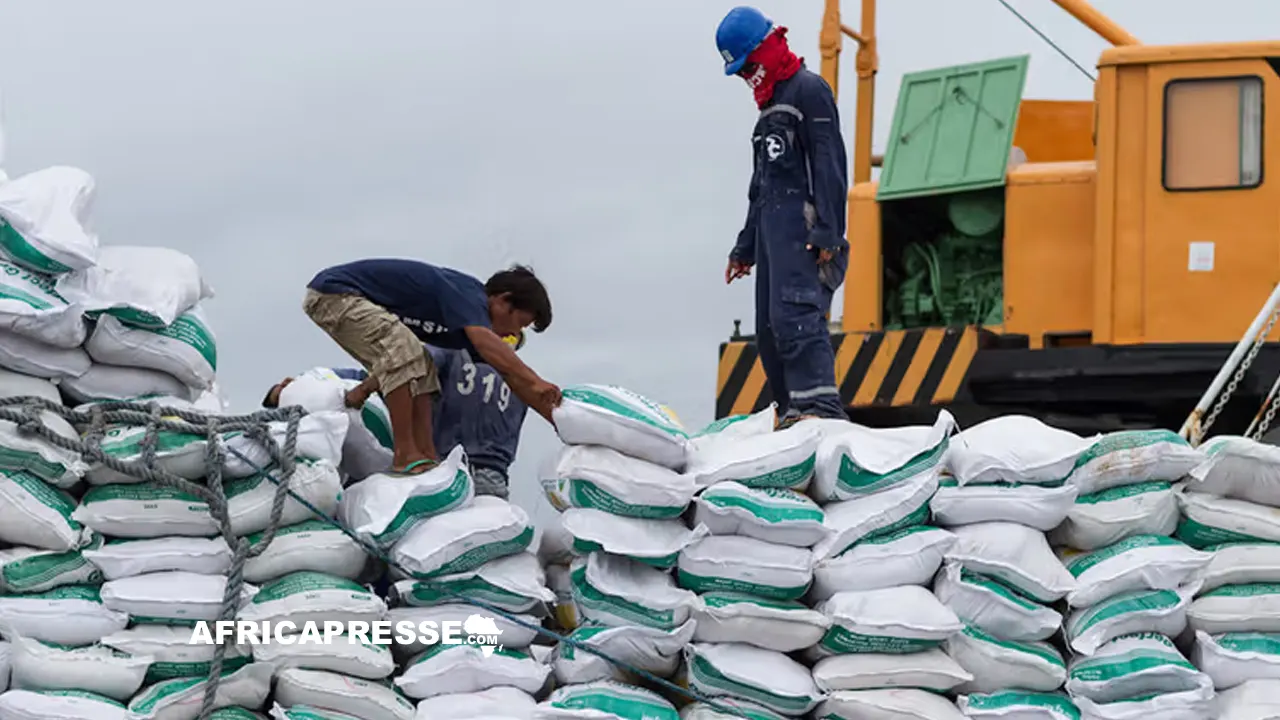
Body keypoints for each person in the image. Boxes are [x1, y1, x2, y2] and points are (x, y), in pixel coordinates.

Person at [717, 6, 850, 430]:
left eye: (749, 66)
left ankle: (820, 409)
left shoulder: (809, 91)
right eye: (741, 72)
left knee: (797, 315)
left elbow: (830, 164)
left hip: (804, 229)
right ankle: (791, 411)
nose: (747, 76)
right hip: (772, 235)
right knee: (770, 328)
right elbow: (761, 186)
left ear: (767, 47)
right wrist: (745, 247)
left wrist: (829, 230)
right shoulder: (768, 111)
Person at [302, 259, 561, 475]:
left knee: (423, 365)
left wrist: (557, 417)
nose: (514, 333)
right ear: (503, 301)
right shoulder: (469, 296)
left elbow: (510, 376)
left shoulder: (464, 333)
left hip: (354, 305)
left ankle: (426, 454)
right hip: (335, 294)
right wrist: (536, 380)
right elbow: (488, 345)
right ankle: (405, 454)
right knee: (402, 350)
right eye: (519, 323)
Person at [427, 344, 528, 499]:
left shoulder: (452, 353)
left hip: (448, 468)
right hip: (493, 476)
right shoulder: (521, 377)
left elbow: (421, 360)